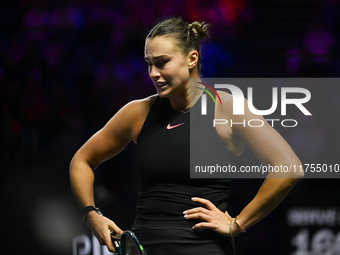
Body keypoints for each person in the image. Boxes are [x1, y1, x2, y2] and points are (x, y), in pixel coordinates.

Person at [69, 17, 304, 254]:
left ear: (192, 59)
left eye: (162, 63)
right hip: (145, 248)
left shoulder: (228, 108)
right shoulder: (138, 112)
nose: (153, 73)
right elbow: (82, 161)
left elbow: (289, 167)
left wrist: (238, 223)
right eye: (149, 63)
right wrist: (91, 214)